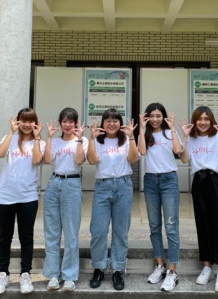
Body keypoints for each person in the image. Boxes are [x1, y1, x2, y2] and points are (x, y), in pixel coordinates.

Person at [179, 106, 218, 293]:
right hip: (199, 182)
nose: (203, 122)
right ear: (195, 121)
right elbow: (184, 159)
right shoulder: (191, 138)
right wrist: (185, 138)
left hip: (216, 181)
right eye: (199, 119)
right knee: (203, 224)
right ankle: (207, 266)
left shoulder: (217, 137)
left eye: (206, 119)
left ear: (211, 120)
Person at [0, 108, 45, 295]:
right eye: (24, 120)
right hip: (5, 196)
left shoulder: (40, 143)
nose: (27, 124)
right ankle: (3, 274)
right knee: (4, 237)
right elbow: (0, 153)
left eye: (31, 121)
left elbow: (37, 161)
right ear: (18, 121)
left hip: (27, 197)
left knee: (26, 237)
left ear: (35, 123)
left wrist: (37, 139)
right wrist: (11, 132)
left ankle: (25, 274)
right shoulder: (11, 138)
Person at [87, 108, 139, 291]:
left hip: (123, 186)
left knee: (121, 230)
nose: (111, 123)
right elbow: (92, 161)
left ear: (120, 123)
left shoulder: (126, 140)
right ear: (103, 123)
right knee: (98, 230)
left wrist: (131, 137)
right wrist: (91, 139)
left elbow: (134, 158)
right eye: (108, 120)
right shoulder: (97, 141)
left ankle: (118, 269)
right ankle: (99, 267)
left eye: (115, 120)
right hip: (103, 186)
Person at [137, 103, 183, 291]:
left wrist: (173, 128)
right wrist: (141, 128)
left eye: (158, 116)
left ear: (163, 116)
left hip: (169, 180)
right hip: (150, 181)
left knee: (171, 226)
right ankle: (160, 265)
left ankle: (173, 271)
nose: (155, 119)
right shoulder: (145, 134)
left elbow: (178, 150)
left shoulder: (169, 133)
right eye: (152, 116)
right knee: (154, 225)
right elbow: (141, 152)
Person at [43, 108, 88, 292]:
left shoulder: (82, 140)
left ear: (76, 123)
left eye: (71, 121)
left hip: (72, 183)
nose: (68, 125)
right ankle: (53, 274)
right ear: (60, 123)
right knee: (52, 232)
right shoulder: (54, 141)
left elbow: (79, 161)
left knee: (71, 232)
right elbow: (48, 160)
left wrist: (79, 139)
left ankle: (69, 276)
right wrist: (48, 138)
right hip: (54, 183)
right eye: (64, 121)